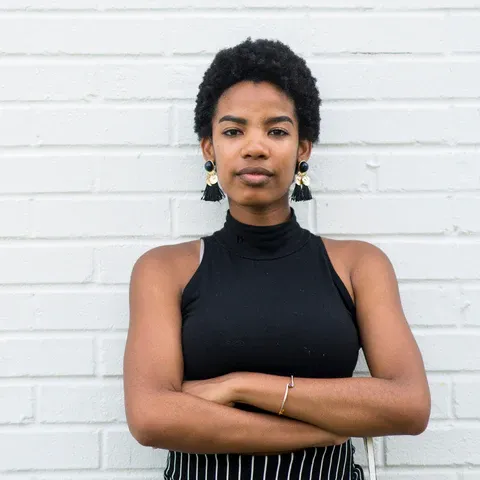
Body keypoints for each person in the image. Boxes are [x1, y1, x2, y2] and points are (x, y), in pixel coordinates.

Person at [123, 38, 431, 480]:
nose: (255, 147)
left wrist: (238, 385)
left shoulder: (358, 265)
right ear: (209, 148)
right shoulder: (164, 270)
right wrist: (322, 428)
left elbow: (408, 405)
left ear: (303, 148)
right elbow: (152, 418)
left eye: (277, 130)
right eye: (233, 131)